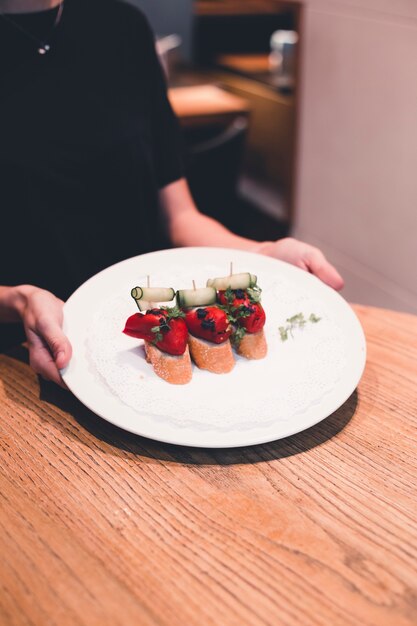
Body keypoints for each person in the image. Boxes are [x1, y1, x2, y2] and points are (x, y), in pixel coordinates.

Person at [0, 0, 344, 387]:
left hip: (134, 355)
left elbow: (180, 217)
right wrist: (17, 300)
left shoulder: (123, 26)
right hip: (19, 359)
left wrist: (263, 253)